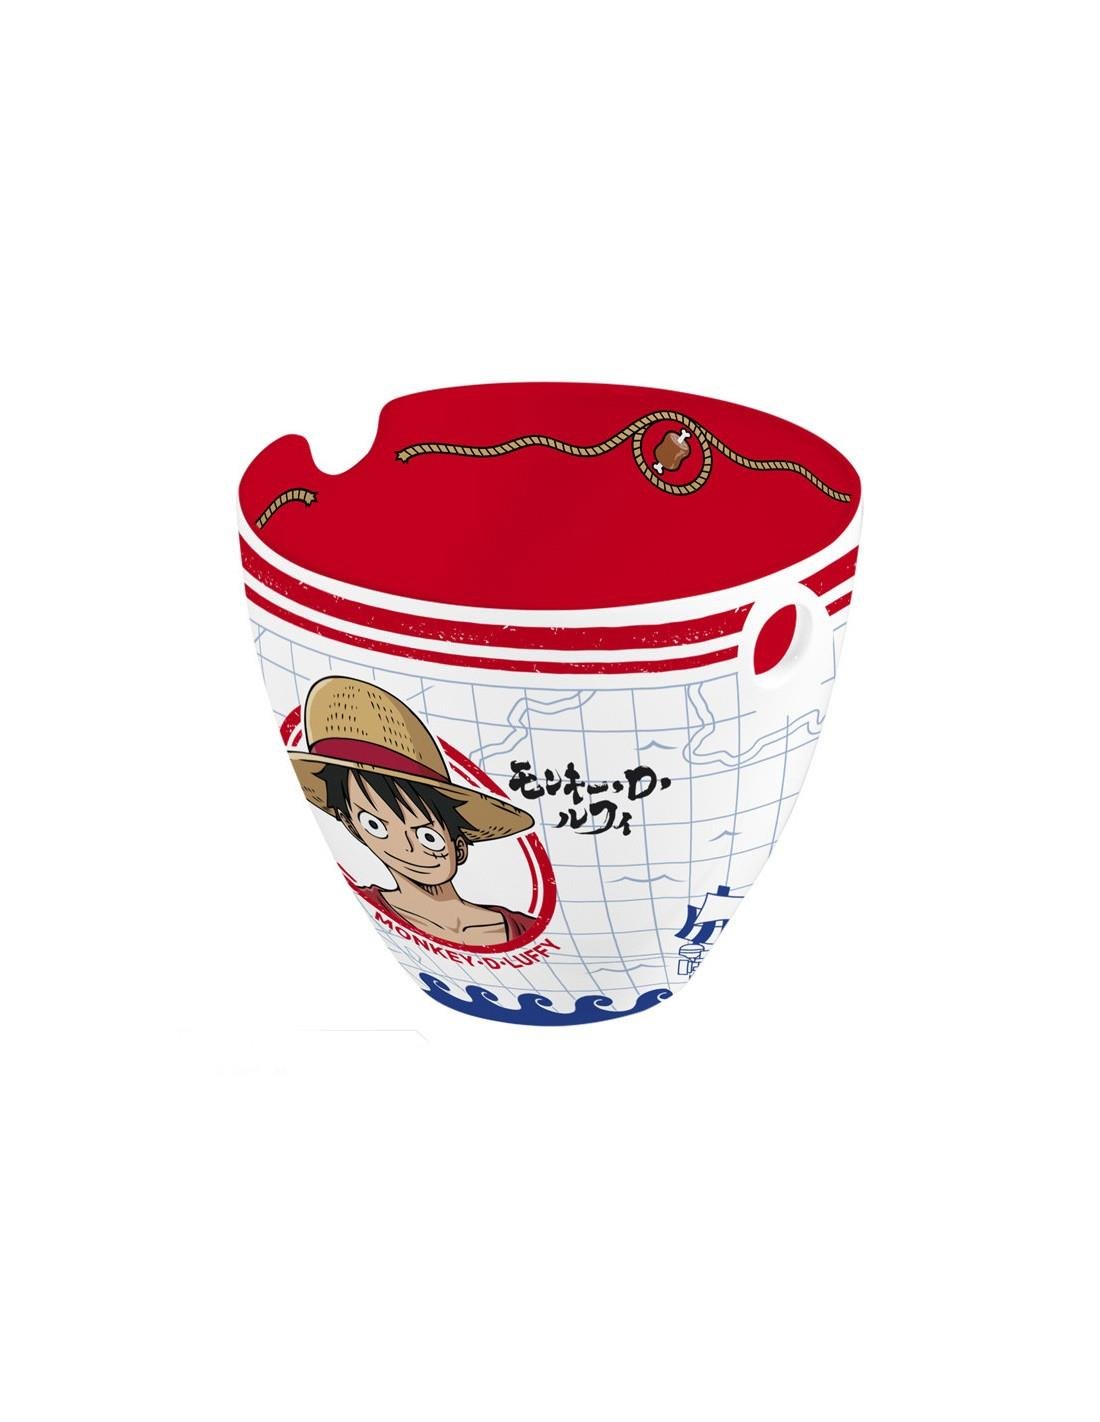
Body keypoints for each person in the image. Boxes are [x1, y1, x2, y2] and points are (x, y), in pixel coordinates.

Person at [289, 676, 537, 947]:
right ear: (351, 826)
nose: (406, 848)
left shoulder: (523, 929)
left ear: (459, 846)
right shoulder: (360, 913)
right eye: (375, 825)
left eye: (428, 837)